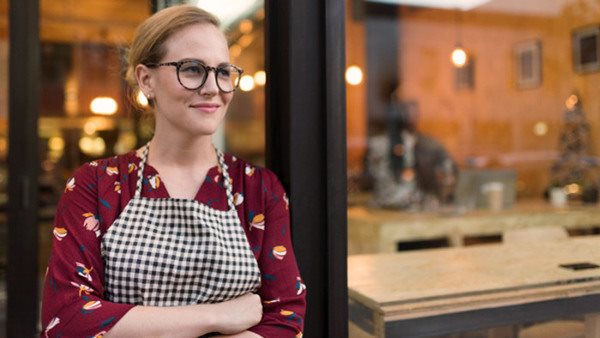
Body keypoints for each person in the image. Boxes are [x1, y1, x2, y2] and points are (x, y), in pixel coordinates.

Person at [41, 5, 306, 338]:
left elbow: (285, 319)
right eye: (192, 69)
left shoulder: (259, 189)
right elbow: (66, 319)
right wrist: (215, 316)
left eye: (224, 72)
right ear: (146, 80)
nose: (214, 88)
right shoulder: (94, 185)